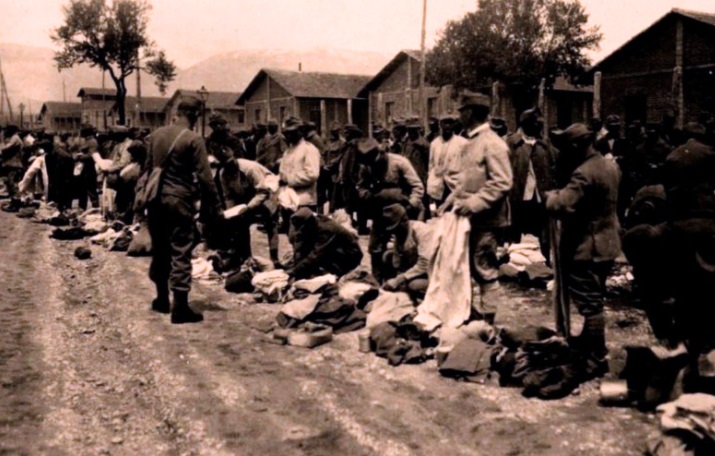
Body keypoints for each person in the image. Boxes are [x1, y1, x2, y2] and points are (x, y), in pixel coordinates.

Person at [546, 123, 621, 377]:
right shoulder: (610, 165)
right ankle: (591, 344)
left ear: (577, 146)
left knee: (590, 303)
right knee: (596, 295)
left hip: (586, 246)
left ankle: (596, 357)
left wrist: (551, 197)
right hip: (608, 242)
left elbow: (561, 205)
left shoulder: (583, 172)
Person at [145, 96, 222, 324]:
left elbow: (148, 169)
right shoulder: (193, 138)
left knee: (160, 249)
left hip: (155, 199)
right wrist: (216, 208)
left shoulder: (156, 135)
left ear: (177, 112)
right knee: (181, 250)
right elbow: (206, 179)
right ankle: (180, 308)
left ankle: (161, 299)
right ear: (195, 116)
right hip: (178, 200)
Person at [439, 92, 513, 324]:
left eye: (461, 111)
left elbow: (502, 182)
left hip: (487, 220)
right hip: (472, 219)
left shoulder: (492, 143)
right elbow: (469, 180)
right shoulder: (472, 141)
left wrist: (471, 203)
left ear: (470, 112)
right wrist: (452, 198)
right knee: (468, 268)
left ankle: (489, 323)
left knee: (484, 269)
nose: (459, 116)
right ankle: (473, 316)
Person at [355, 137, 424, 282]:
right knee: (375, 248)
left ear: (379, 154)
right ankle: (378, 281)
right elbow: (361, 186)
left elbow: (417, 186)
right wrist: (367, 195)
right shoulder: (366, 166)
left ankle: (403, 280)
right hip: (379, 211)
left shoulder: (399, 162)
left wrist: (411, 205)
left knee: (404, 249)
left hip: (402, 211)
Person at [507, 108, 557, 259]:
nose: (540, 127)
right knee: (515, 233)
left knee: (543, 234)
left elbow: (554, 167)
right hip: (518, 197)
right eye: (536, 123)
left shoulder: (545, 144)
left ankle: (544, 263)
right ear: (526, 123)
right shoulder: (511, 144)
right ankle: (513, 265)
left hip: (540, 197)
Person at [215, 151, 279, 270]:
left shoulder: (249, 168)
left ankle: (274, 259)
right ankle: (245, 258)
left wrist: (249, 207)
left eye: (231, 162)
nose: (230, 166)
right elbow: (228, 196)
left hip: (267, 194)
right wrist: (233, 212)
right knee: (240, 226)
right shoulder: (223, 174)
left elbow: (263, 191)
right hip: (247, 198)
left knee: (269, 226)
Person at [286, 207, 363, 279]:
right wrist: (296, 267)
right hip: (336, 251)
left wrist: (294, 272)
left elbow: (316, 255)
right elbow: (300, 246)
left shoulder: (326, 229)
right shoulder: (312, 223)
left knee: (319, 260)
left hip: (349, 256)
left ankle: (338, 273)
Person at [380, 203, 434, 300]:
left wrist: (399, 280)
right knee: (387, 256)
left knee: (414, 285)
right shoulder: (400, 233)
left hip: (434, 272)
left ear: (404, 221)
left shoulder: (422, 231)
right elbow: (397, 263)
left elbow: (425, 263)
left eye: (395, 228)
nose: (393, 232)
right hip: (417, 270)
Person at [278, 116, 321, 223]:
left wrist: (288, 179)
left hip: (303, 201)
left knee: (303, 236)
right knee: (291, 236)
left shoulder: (309, 149)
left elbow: (312, 174)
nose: (287, 135)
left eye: (291, 132)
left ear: (300, 132)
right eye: (286, 133)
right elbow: (283, 171)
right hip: (288, 201)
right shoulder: (288, 151)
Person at [426, 114, 468, 206]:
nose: (448, 126)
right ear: (440, 125)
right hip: (437, 185)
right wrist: (431, 181)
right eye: (445, 123)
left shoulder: (462, 143)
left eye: (450, 123)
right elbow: (431, 165)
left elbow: (467, 167)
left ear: (454, 125)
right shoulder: (435, 143)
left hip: (454, 185)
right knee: (435, 213)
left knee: (453, 216)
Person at [320, 122, 344, 213]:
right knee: (324, 193)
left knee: (334, 194)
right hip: (326, 171)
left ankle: (333, 211)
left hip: (335, 171)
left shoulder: (342, 143)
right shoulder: (328, 142)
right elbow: (323, 154)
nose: (334, 133)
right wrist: (323, 164)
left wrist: (331, 165)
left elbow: (341, 157)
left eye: (336, 131)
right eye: (333, 131)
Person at [0, 125, 24, 207]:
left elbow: (4, 148)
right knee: (9, 183)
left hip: (14, 164)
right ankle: (13, 201)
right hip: (9, 164)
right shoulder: (12, 138)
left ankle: (16, 202)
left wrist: (2, 139)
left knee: (12, 183)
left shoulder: (15, 138)